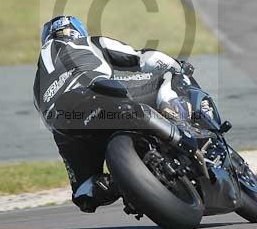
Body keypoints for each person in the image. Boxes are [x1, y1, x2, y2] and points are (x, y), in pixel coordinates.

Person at [32, 15, 197, 213]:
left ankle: (117, 184)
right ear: (78, 31)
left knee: (83, 194)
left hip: (65, 126)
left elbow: (47, 119)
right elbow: (144, 58)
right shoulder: (90, 42)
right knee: (169, 77)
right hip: (97, 92)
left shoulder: (36, 84)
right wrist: (179, 66)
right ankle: (180, 123)